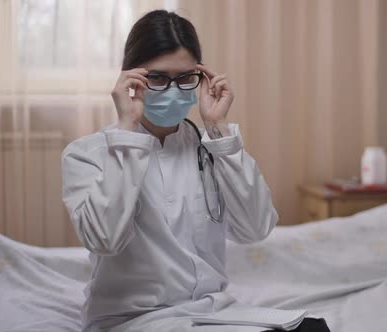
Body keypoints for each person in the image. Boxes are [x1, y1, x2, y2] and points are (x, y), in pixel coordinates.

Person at [61, 10, 322, 332]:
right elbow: (104, 240)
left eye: (185, 78)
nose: (173, 90)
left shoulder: (212, 146)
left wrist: (219, 130)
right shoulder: (87, 154)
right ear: (131, 79)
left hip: (211, 311)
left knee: (312, 329)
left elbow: (255, 229)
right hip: (132, 319)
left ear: (202, 77)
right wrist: (127, 133)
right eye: (157, 78)